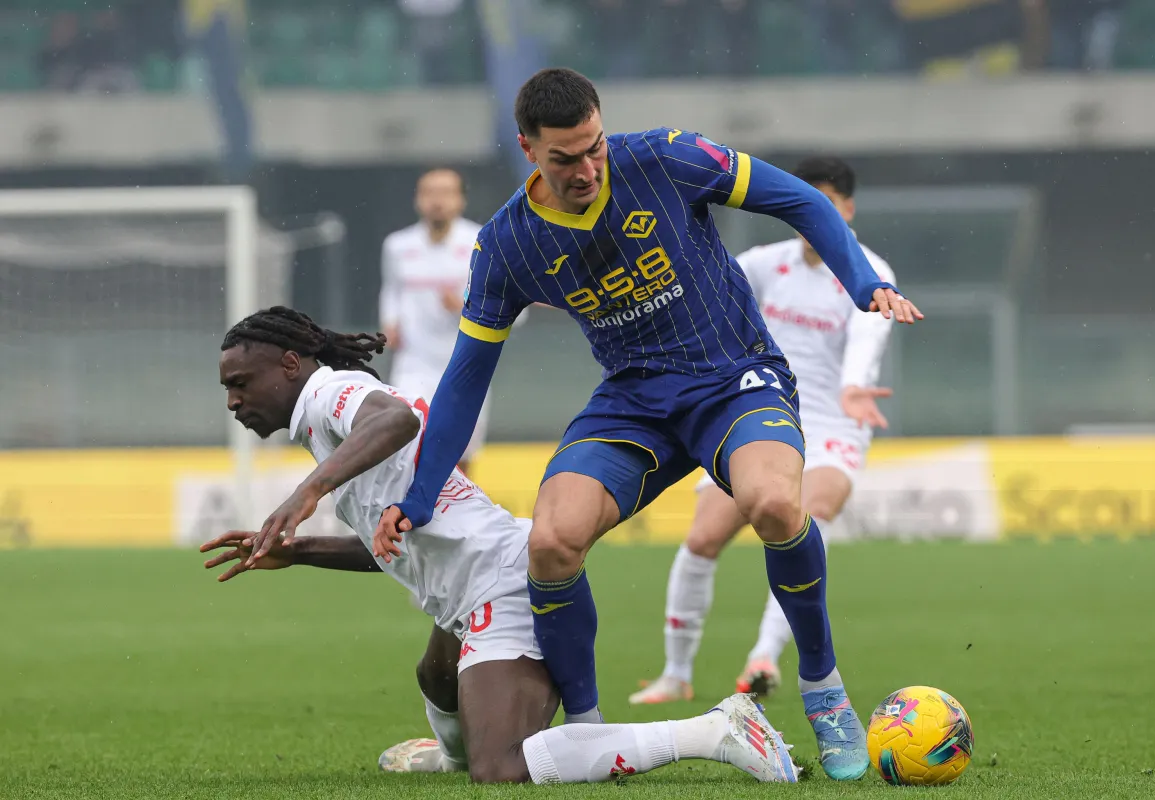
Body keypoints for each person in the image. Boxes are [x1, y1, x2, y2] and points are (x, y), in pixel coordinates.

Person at [251, 68, 923, 780]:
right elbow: (466, 378)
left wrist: (865, 284)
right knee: (550, 543)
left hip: (732, 378)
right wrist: (417, 500)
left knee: (776, 505)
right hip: (632, 401)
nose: (586, 169)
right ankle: (590, 729)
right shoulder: (508, 245)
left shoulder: (667, 158)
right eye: (564, 157)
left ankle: (823, 689)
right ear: (528, 150)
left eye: (594, 147)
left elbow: (799, 199)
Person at [205, 305, 798, 784]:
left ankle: (713, 731)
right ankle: (450, 756)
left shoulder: (329, 392)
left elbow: (395, 419)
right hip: (472, 585)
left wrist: (307, 491)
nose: (232, 401)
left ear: (290, 363)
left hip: (501, 582)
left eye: (240, 383)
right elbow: (395, 549)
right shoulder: (320, 426)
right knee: (437, 677)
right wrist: (297, 552)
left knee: (502, 769)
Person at [629, 156, 897, 706]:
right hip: (760, 409)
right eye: (806, 205)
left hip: (833, 420)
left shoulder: (870, 270)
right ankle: (676, 674)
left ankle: (764, 656)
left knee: (804, 520)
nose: (813, 218)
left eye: (826, 205)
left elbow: (868, 337)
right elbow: (707, 290)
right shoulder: (765, 263)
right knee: (703, 538)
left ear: (846, 209)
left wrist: (853, 386)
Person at [378, 168, 487, 473]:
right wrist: (390, 322)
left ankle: (459, 503)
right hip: (414, 362)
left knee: (462, 451)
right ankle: (413, 503)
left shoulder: (481, 242)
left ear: (461, 200)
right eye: (429, 193)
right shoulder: (397, 245)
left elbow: (508, 305)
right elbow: (391, 289)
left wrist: (465, 306)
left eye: (446, 193)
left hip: (465, 364)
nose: (437, 201)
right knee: (409, 438)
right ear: (417, 200)